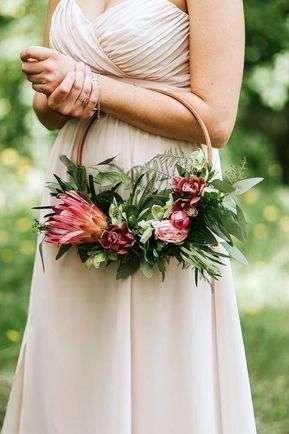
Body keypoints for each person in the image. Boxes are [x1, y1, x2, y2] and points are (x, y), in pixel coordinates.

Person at [1, 1, 257, 433]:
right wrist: (55, 88)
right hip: (77, 190)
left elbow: (216, 121)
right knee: (76, 341)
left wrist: (95, 88)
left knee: (165, 346)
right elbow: (46, 113)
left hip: (163, 190)